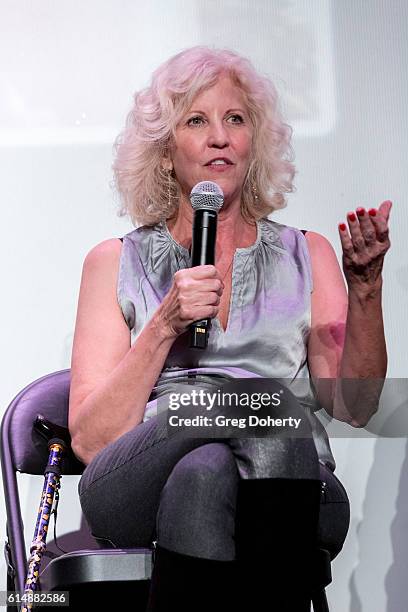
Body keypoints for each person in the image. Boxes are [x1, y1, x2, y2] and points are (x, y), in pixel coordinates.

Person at [68, 47, 391, 611]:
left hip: (298, 489)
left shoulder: (306, 253)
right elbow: (94, 442)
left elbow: (356, 406)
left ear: (252, 145)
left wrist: (365, 291)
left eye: (234, 120)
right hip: (138, 478)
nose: (219, 137)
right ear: (167, 152)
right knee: (260, 401)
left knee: (206, 472)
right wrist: (165, 322)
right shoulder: (112, 262)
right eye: (196, 121)